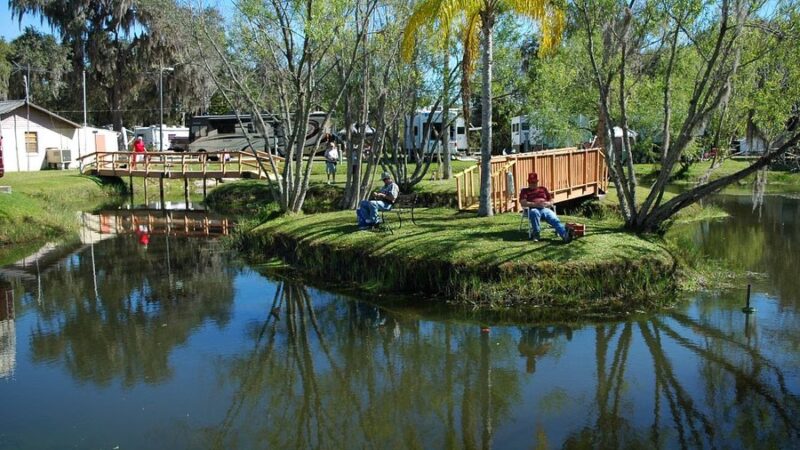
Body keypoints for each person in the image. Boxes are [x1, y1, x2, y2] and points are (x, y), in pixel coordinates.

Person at [519, 172, 572, 243]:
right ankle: (536, 235)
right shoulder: (525, 191)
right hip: (532, 209)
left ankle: (565, 235)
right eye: (531, 182)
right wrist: (536, 204)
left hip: (545, 209)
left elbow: (552, 200)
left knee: (553, 218)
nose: (532, 184)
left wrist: (549, 203)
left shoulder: (543, 189)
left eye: (534, 182)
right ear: (528, 182)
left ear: (537, 182)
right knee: (534, 212)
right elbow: (523, 203)